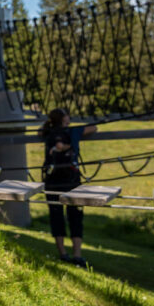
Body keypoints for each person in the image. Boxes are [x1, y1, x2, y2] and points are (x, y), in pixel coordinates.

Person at [40, 107, 97, 266]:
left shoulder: (47, 132)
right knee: (75, 216)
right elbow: (94, 127)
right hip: (71, 180)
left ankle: (63, 254)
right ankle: (77, 255)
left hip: (52, 179)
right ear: (65, 119)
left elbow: (40, 132)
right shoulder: (73, 132)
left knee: (56, 215)